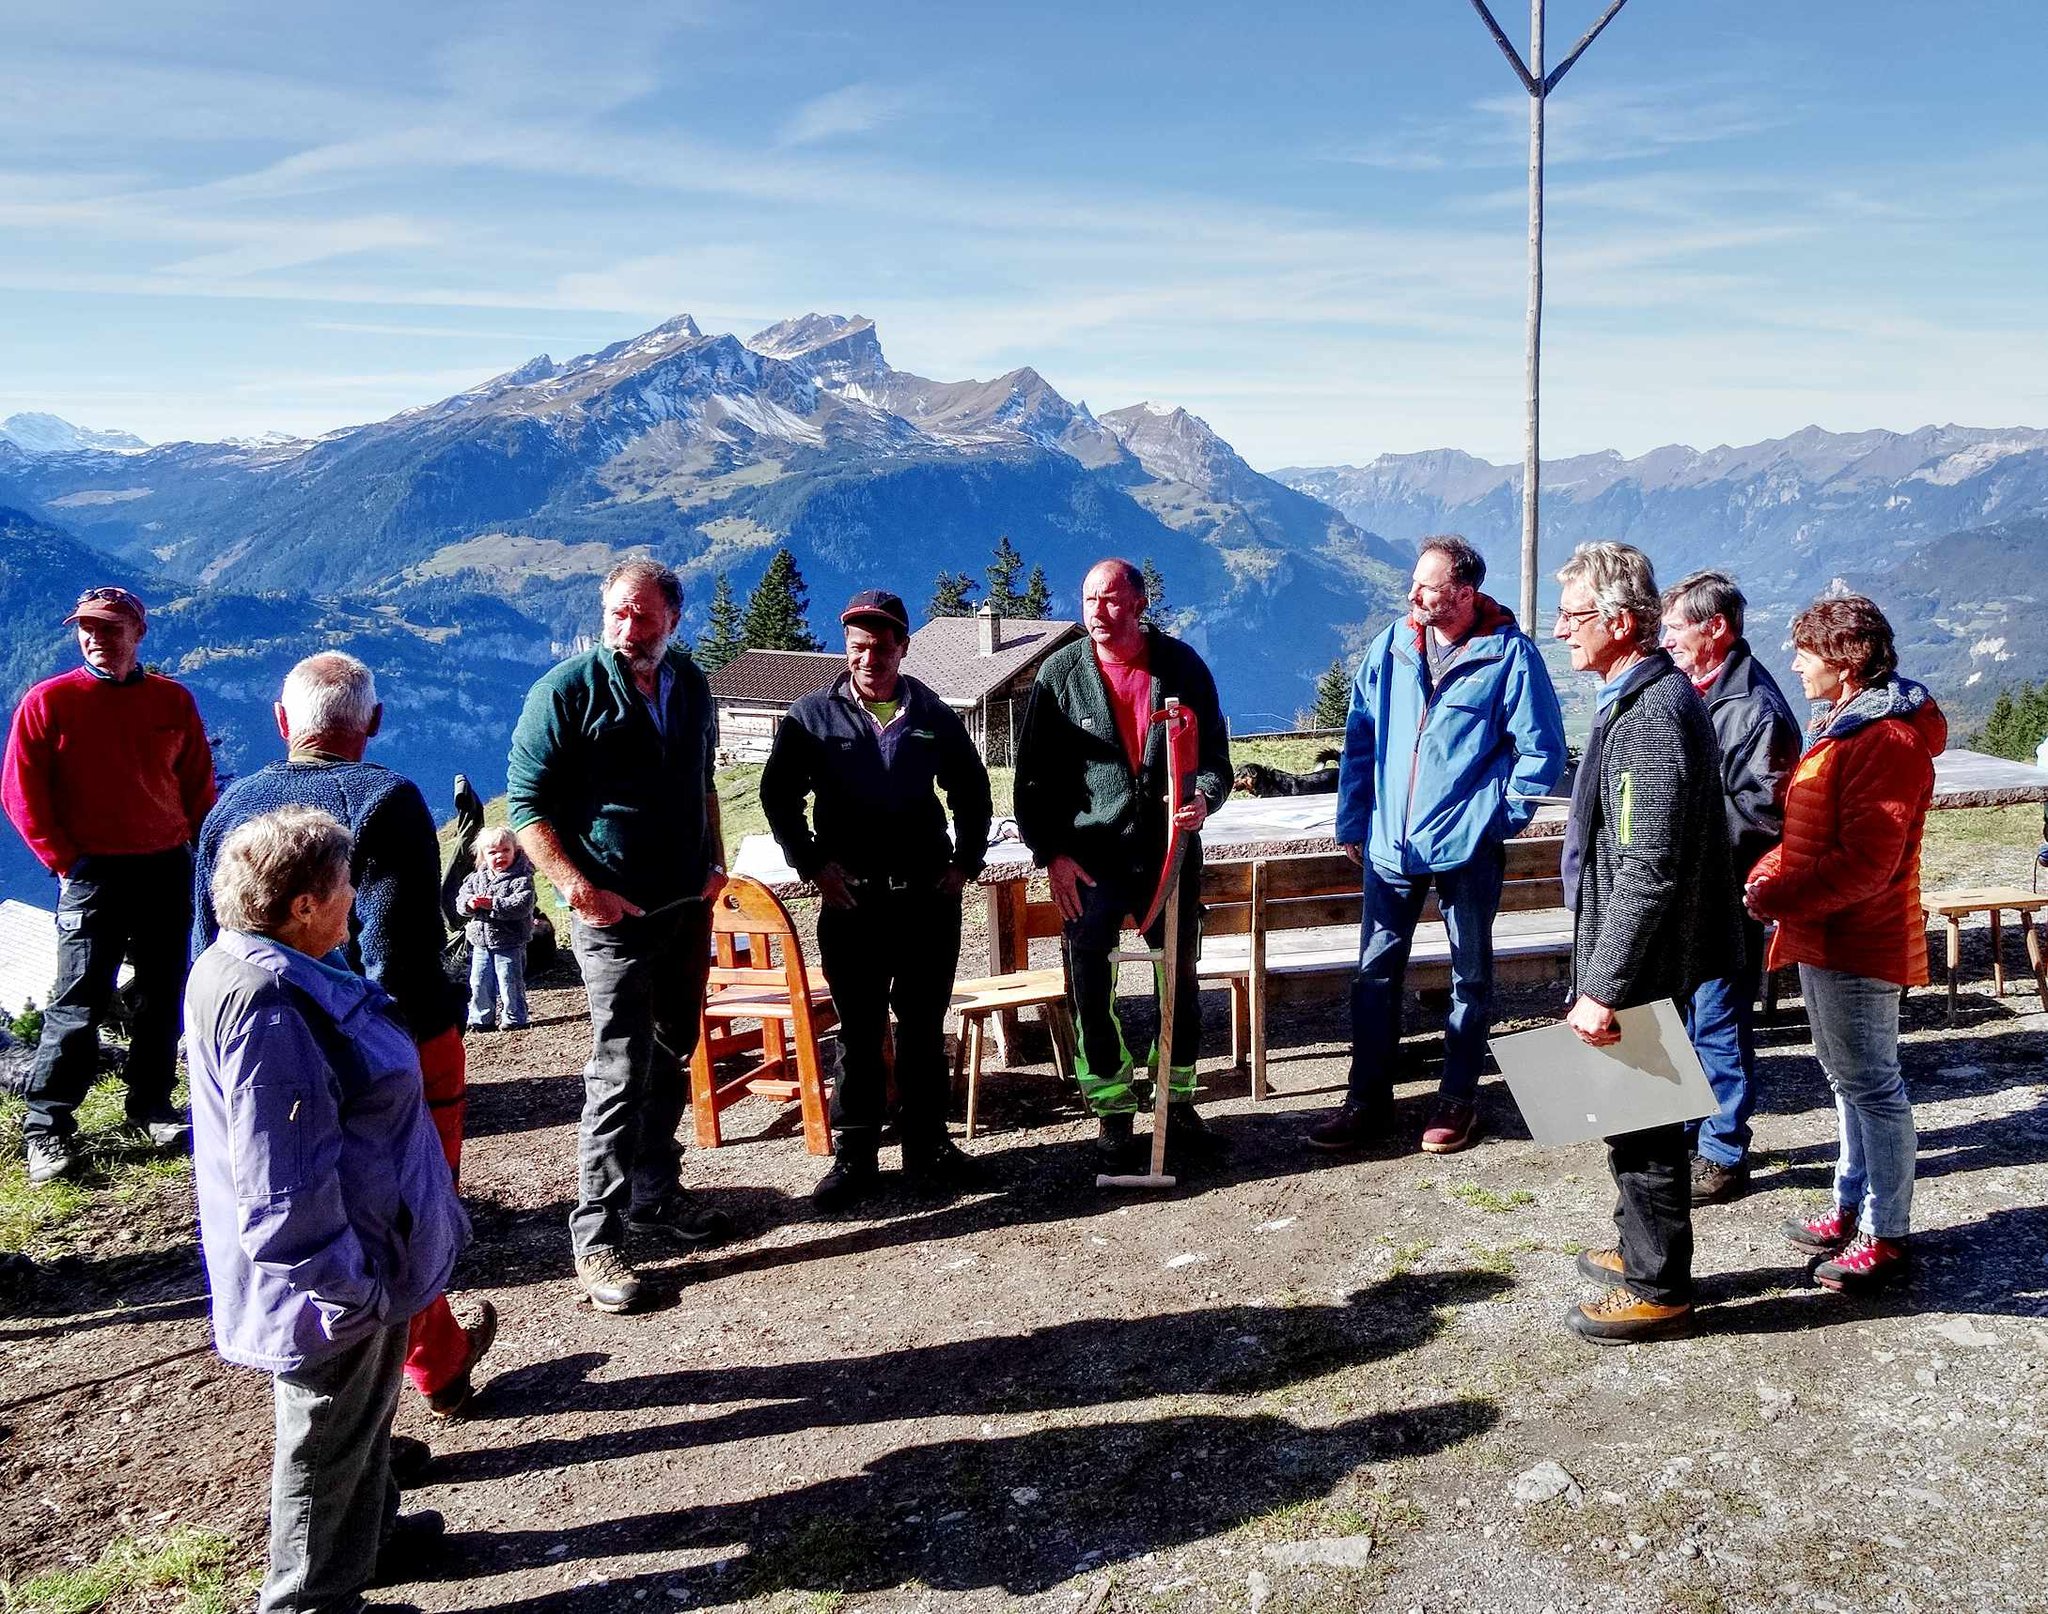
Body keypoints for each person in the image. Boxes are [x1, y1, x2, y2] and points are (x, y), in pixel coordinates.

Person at [194, 651, 495, 1417]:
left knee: (318, 1212)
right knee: (403, 1210)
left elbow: (209, 945)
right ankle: (413, 1381)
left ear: (282, 721)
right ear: (373, 724)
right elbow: (397, 950)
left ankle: (434, 1361)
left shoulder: (231, 810)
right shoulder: (384, 798)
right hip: (378, 1043)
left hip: (255, 1044)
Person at [187, 807, 466, 1614]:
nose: (356, 899)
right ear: (303, 903)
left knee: (363, 1419)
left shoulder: (257, 965)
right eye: (346, 885)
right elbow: (282, 1189)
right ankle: (310, 1600)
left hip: (367, 1251)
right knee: (325, 1439)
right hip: (337, 1275)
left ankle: (371, 1536)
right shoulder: (273, 1006)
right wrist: (352, 1287)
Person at [508, 557, 732, 1314]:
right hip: (612, 916)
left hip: (684, 907)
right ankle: (596, 1239)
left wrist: (716, 863)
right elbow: (526, 807)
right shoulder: (565, 693)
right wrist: (578, 890)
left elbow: (704, 781)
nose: (628, 629)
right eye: (616, 615)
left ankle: (655, 1197)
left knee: (675, 1049)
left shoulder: (692, 685)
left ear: (673, 618)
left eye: (643, 616)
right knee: (619, 1067)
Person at [1310, 535, 1566, 1156]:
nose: (1412, 594)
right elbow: (1359, 739)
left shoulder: (1510, 657)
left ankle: (1458, 1100)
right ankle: (1366, 1101)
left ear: (1465, 593)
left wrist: (1493, 818)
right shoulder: (1390, 646)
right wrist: (1354, 819)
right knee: (1373, 974)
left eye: (1426, 585)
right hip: (1389, 846)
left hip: (1467, 849)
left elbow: (1542, 751)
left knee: (1469, 976)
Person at [1554, 542, 1741, 1344]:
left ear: (1622, 622)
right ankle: (1640, 1250)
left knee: (1644, 1122)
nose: (1562, 630)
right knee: (1629, 1116)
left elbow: (1648, 869)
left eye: (1575, 615)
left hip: (1644, 955)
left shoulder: (1652, 716)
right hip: (1640, 949)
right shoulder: (1638, 697)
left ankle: (1658, 1286)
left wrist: (1602, 984)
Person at [760, 588, 995, 1209]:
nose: (869, 659)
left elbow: (971, 791)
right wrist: (813, 865)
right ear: (847, 648)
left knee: (922, 1028)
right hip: (852, 905)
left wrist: (963, 863)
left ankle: (929, 1146)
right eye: (859, 647)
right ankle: (855, 1155)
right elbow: (779, 797)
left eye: (882, 648)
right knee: (860, 1034)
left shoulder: (933, 714)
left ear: (903, 648)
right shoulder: (811, 718)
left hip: (926, 902)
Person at [1745, 595, 1944, 1294]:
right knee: (1846, 1078)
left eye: (1806, 651)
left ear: (1845, 660)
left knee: (1874, 1086)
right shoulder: (1846, 724)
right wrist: (1772, 873)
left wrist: (1780, 895)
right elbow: (1809, 835)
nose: (1795, 663)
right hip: (1826, 934)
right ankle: (1849, 1205)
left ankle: (1885, 1234)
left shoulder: (1885, 741)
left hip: (1860, 940)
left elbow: (1867, 864)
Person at [1014, 558, 1231, 1167]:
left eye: (1111, 601)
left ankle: (1177, 1103)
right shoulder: (1060, 673)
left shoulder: (1181, 666)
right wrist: (1050, 853)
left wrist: (1202, 797)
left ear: (1139, 604)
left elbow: (1216, 756)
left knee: (1178, 977)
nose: (1098, 614)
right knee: (1089, 979)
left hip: (1169, 854)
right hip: (1088, 858)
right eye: (1088, 601)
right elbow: (1031, 781)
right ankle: (1111, 1109)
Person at [3, 585, 215, 1184]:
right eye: (86, 628)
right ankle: (47, 1129)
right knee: (79, 999)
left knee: (163, 989)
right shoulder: (50, 702)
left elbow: (198, 785)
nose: (96, 637)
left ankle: (150, 1106)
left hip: (166, 866)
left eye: (110, 628)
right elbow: (21, 792)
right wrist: (64, 862)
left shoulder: (171, 700)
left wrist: (204, 852)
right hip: (94, 872)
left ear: (138, 634)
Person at [1658, 571, 1802, 1203]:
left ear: (1715, 628)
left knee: (1717, 1022)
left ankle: (1721, 1153)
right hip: (1680, 892)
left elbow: (1761, 815)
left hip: (1720, 894)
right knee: (1685, 1019)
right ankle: (1693, 1135)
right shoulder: (1689, 688)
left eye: (1675, 628)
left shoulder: (1754, 707)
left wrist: (1682, 842)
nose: (1666, 641)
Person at [459, 828, 538, 1032]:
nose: (500, 856)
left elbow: (522, 905)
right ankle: (481, 1018)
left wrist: (492, 904)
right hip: (480, 943)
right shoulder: (475, 879)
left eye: (505, 850)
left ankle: (514, 1018)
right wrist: (469, 904)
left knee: (510, 982)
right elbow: (460, 902)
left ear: (515, 851)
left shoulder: (521, 879)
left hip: (510, 941)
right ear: (483, 856)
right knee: (479, 981)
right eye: (493, 852)